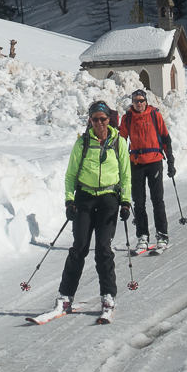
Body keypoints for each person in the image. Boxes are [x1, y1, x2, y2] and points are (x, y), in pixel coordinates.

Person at [54, 100, 131, 318]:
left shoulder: (119, 143)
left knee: (103, 248)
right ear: (90, 120)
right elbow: (70, 175)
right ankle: (65, 296)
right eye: (95, 119)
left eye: (103, 119)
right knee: (79, 246)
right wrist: (70, 201)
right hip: (85, 198)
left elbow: (125, 175)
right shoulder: (82, 143)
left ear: (109, 120)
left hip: (109, 198)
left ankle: (108, 295)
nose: (99, 123)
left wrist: (125, 201)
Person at [119, 89, 174, 250]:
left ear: (146, 101)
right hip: (135, 162)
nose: (139, 103)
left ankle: (162, 234)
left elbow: (165, 137)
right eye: (136, 100)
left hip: (154, 161)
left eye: (142, 100)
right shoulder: (127, 118)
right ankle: (142, 235)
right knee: (138, 202)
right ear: (132, 102)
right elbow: (121, 142)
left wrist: (170, 160)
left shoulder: (155, 115)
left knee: (157, 200)